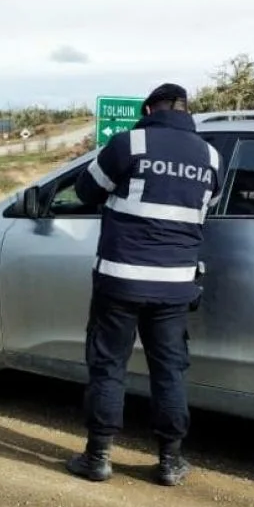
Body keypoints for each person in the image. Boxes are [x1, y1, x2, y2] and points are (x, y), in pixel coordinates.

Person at [66, 82, 221, 486]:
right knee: (169, 370)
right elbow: (206, 208)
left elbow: (85, 191)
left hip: (120, 279)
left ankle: (97, 457)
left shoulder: (129, 143)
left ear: (149, 110)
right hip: (175, 285)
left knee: (108, 365)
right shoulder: (211, 156)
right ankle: (170, 462)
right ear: (186, 111)